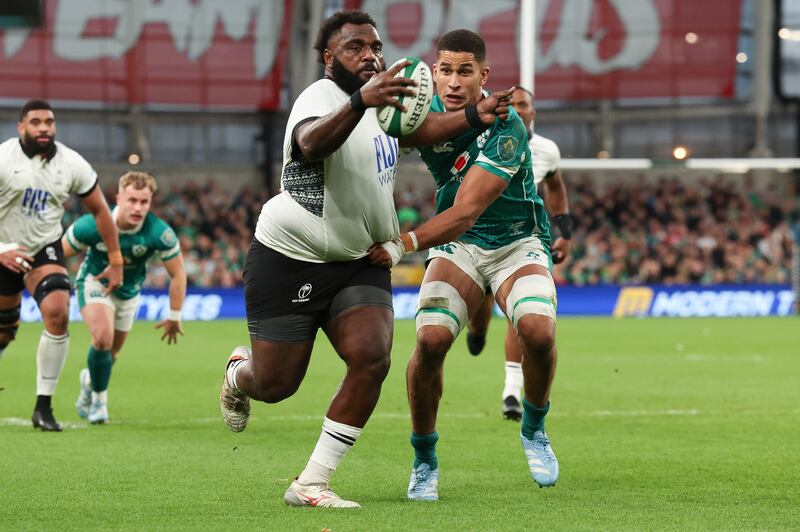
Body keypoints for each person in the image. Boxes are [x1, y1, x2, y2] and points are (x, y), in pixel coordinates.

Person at [217, 10, 512, 508]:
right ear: (329, 58)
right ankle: (237, 375)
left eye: (374, 45)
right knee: (275, 384)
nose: (370, 54)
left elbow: (416, 132)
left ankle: (310, 483)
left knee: (373, 357)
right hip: (291, 258)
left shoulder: (380, 104)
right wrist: (359, 99)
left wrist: (469, 117)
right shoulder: (320, 97)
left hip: (360, 258)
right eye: (355, 47)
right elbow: (309, 144)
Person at [369, 30, 560, 499]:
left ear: (484, 75)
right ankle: (424, 458)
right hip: (461, 249)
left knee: (538, 331)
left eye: (465, 71)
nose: (453, 81)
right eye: (445, 69)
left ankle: (533, 427)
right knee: (431, 341)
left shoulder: (507, 126)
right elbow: (391, 131)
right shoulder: (421, 110)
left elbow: (465, 211)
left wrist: (403, 243)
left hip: (516, 242)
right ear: (433, 71)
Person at [0, 99, 122, 432]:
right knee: (4, 333)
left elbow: (100, 211)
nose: (44, 128)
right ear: (21, 127)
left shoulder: (71, 163)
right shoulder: (3, 158)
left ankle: (43, 407)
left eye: (49, 122)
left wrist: (115, 260)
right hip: (3, 247)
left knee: (57, 311)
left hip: (43, 248)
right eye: (36, 122)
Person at [464, 86, 573, 421]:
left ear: (534, 112)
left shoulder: (546, 150)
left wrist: (565, 233)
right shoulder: (484, 139)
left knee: (522, 314)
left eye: (525, 105)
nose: (520, 110)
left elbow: (555, 186)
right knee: (480, 311)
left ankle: (512, 391)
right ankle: (477, 331)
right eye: (514, 105)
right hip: (476, 238)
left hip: (521, 240)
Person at [63, 171, 186, 424]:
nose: (138, 207)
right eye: (132, 200)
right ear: (118, 197)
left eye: (144, 202)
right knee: (102, 338)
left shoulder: (159, 232)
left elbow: (178, 274)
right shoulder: (91, 224)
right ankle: (99, 402)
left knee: (110, 356)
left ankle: (89, 380)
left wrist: (174, 315)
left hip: (129, 294)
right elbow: (57, 253)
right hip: (94, 284)